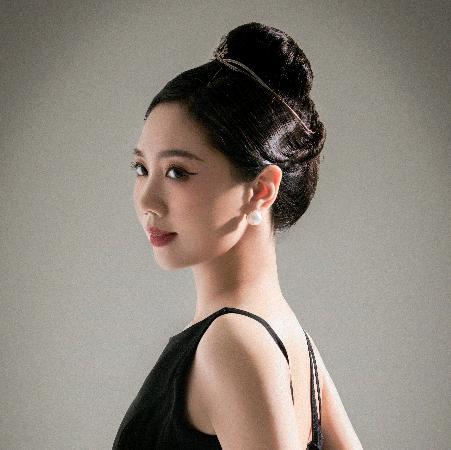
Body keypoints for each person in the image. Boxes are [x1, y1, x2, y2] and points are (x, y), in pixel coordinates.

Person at [113, 22, 362, 449]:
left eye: (177, 172)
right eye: (142, 168)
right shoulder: (295, 344)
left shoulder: (231, 344)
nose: (147, 200)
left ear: (261, 190)